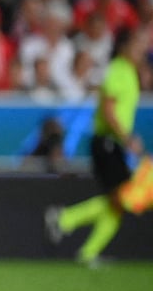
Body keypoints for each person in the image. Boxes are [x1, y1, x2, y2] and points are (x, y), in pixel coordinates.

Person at [46, 24, 149, 264]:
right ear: (124, 47)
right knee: (122, 198)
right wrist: (127, 138)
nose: (142, 49)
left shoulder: (129, 72)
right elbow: (109, 109)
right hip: (106, 142)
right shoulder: (117, 70)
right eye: (137, 44)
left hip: (114, 143)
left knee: (119, 202)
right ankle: (65, 219)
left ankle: (86, 250)